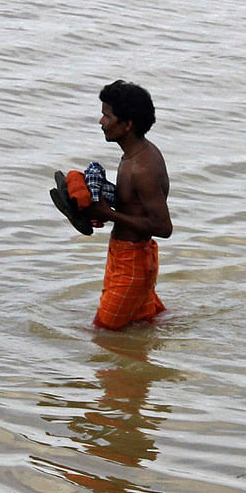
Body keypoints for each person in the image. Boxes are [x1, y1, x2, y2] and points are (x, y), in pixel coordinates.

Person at [85, 80, 171, 330]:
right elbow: (135, 205)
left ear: (127, 125)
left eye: (106, 116)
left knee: (102, 334)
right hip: (126, 255)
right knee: (142, 328)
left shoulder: (141, 167)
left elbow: (163, 227)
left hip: (132, 264)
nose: (101, 122)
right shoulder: (135, 155)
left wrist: (108, 214)